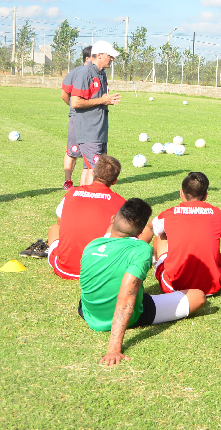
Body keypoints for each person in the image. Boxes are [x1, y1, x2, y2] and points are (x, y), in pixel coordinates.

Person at [79, 198, 206, 366]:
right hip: (129, 315)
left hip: (89, 312)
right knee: (199, 297)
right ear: (140, 232)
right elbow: (126, 296)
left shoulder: (92, 245)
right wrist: (114, 349)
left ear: (113, 219)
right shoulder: (142, 250)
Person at [45, 155, 132, 279]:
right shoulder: (122, 203)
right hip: (103, 270)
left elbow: (61, 222)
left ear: (93, 173)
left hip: (66, 269)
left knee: (55, 228)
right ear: (114, 181)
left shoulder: (71, 194)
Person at [152, 172, 221, 296]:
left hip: (175, 286)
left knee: (160, 235)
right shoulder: (219, 214)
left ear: (181, 193)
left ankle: (157, 264)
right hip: (211, 286)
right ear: (206, 196)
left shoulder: (168, 214)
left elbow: (155, 229)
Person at [70, 40, 122, 186]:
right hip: (89, 131)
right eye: (110, 55)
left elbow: (100, 99)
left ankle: (83, 200)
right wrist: (101, 100)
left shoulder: (102, 74)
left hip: (100, 131)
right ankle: (88, 202)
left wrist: (106, 101)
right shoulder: (85, 73)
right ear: (99, 55)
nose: (112, 59)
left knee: (89, 169)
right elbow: (75, 102)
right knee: (96, 171)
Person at [60, 45, 92, 190]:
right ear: (88, 58)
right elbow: (64, 94)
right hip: (77, 118)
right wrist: (74, 107)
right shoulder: (75, 73)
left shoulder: (98, 73)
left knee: (88, 153)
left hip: (92, 120)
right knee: (72, 150)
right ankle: (68, 182)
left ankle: (84, 185)